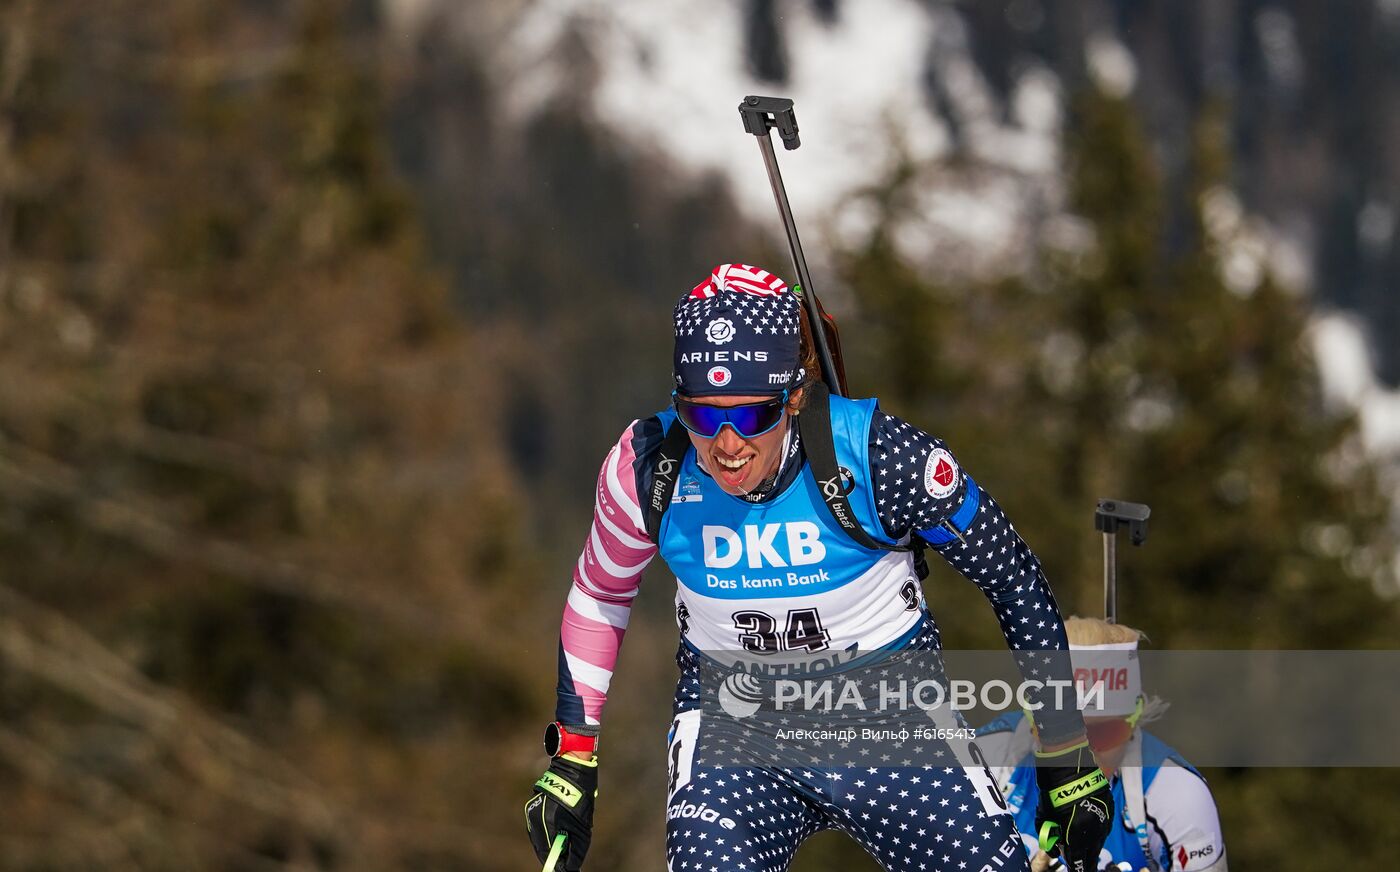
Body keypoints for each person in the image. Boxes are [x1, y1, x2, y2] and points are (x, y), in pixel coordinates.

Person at [525, 263, 1114, 872]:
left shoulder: (879, 457)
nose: (727, 444)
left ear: (795, 396)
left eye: (753, 415)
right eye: (701, 414)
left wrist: (1067, 751)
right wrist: (572, 755)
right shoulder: (648, 468)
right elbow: (599, 595)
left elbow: (1009, 574)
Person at [976, 617, 1228, 871]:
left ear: (1133, 722)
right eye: (1060, 733)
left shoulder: (1176, 791)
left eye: (1104, 732)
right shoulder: (989, 755)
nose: (1086, 756)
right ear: (1032, 720)